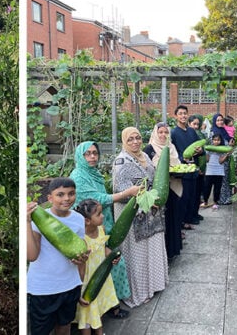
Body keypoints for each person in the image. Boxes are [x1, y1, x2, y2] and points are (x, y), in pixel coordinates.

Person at [69, 141, 134, 318]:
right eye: (87, 154)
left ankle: (110, 304)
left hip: (101, 224)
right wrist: (127, 193)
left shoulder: (93, 173)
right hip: (90, 230)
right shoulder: (78, 176)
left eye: (95, 153)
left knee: (111, 262)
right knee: (103, 265)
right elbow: (98, 199)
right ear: (80, 156)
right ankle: (106, 308)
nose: (92, 157)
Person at [112, 127, 168, 308]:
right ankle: (140, 291)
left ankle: (155, 284)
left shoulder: (144, 155)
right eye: (130, 139)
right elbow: (121, 191)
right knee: (138, 253)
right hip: (133, 214)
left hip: (151, 213)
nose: (135, 142)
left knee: (151, 248)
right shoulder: (121, 161)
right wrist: (147, 199)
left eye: (137, 138)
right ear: (124, 142)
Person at [27, 178, 88, 335]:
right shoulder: (38, 218)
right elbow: (32, 256)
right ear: (50, 198)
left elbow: (80, 256)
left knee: (64, 327)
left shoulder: (78, 219)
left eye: (71, 194)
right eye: (60, 194)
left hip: (70, 286)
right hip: (43, 289)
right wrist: (27, 222)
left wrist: (80, 285)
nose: (66, 198)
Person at [73, 199, 120, 335]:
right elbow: (80, 266)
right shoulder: (81, 239)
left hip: (101, 277)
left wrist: (113, 256)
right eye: (99, 214)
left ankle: (100, 332)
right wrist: (79, 288)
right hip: (87, 281)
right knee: (86, 316)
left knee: (97, 308)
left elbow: (103, 248)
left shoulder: (101, 229)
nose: (103, 216)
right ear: (87, 221)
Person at [142, 122, 184, 260]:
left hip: (173, 188)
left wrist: (179, 171)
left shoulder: (171, 148)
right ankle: (161, 254)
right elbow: (146, 170)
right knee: (161, 222)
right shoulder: (149, 149)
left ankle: (172, 251)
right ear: (155, 133)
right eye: (160, 132)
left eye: (166, 132)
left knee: (173, 219)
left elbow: (179, 166)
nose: (163, 135)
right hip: (158, 192)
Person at [171, 106, 204, 230]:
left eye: (185, 113)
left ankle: (191, 217)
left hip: (193, 169)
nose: (183, 116)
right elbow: (171, 151)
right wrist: (181, 158)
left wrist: (201, 150)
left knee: (193, 195)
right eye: (180, 114)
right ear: (176, 116)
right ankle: (182, 221)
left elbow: (200, 146)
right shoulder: (173, 133)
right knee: (183, 197)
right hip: (181, 171)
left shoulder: (191, 131)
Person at [202, 133, 229, 210]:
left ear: (221, 141)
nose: (216, 142)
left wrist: (226, 155)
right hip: (209, 171)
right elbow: (207, 160)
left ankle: (215, 203)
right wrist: (206, 152)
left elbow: (221, 161)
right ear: (212, 140)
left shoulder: (222, 149)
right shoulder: (209, 149)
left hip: (219, 171)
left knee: (217, 188)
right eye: (215, 140)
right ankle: (205, 201)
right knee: (207, 187)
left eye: (218, 140)